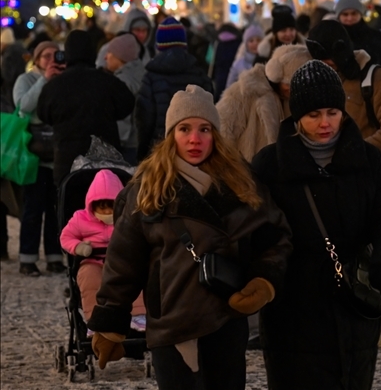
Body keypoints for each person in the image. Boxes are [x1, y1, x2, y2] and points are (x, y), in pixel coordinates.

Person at [88, 85, 292, 389]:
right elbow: (123, 262)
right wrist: (110, 324)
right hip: (172, 323)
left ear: (215, 134)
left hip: (226, 319)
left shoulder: (242, 183)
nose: (194, 139)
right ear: (172, 133)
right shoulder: (145, 189)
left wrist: (263, 281)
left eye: (204, 129)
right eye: (184, 129)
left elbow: (275, 238)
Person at [251, 60, 381, 389]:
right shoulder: (270, 164)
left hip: (352, 302)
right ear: (296, 116)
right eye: (314, 115)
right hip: (292, 306)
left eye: (332, 112)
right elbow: (255, 229)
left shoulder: (367, 158)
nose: (325, 123)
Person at [37, 30, 135, 184]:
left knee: (70, 205)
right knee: (105, 205)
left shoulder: (54, 87)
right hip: (106, 161)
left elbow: (43, 113)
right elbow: (127, 104)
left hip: (67, 164)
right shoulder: (107, 82)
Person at [306, 20, 381, 157]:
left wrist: (356, 153)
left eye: (329, 58)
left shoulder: (377, 79)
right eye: (319, 59)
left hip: (367, 171)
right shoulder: (314, 80)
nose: (325, 63)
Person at [59, 170, 145, 326]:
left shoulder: (128, 218)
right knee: (89, 278)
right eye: (102, 208)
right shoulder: (81, 218)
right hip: (92, 260)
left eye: (111, 208)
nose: (106, 212)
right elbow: (66, 237)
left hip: (121, 260)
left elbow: (140, 235)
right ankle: (95, 319)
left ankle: (138, 315)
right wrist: (78, 247)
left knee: (136, 277)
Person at [13, 41, 64, 275]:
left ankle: (54, 257)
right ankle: (28, 258)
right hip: (33, 155)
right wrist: (45, 79)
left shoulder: (64, 78)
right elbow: (23, 107)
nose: (50, 60)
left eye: (56, 55)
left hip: (57, 155)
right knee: (32, 210)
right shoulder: (27, 80)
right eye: (45, 56)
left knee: (55, 210)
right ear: (36, 59)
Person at [135, 17, 215, 160]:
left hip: (160, 152)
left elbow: (144, 119)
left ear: (158, 45)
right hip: (196, 149)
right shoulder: (199, 74)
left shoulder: (151, 76)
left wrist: (143, 153)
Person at [216, 44, 311, 162]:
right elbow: (221, 128)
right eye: (290, 84)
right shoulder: (245, 91)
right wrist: (233, 168)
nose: (295, 89)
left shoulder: (299, 100)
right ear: (276, 74)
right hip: (248, 172)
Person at [104, 33, 146, 165]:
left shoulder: (123, 81)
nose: (106, 57)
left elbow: (123, 120)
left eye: (110, 53)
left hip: (127, 144)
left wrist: (116, 143)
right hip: (140, 141)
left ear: (120, 57)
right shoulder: (141, 74)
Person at [335, 0, 381, 75]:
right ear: (339, 16)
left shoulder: (379, 38)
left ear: (360, 14)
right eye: (345, 14)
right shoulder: (333, 39)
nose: (350, 18)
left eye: (354, 13)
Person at [208, 23, 242, 98]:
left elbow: (209, 59)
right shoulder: (239, 43)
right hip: (235, 75)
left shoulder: (216, 42)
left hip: (220, 75)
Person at [226, 24, 265, 89]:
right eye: (251, 41)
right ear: (246, 44)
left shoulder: (267, 60)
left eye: (258, 40)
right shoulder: (238, 63)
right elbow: (229, 85)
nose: (255, 43)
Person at [1, 25, 29, 112]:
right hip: (23, 86)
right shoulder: (21, 49)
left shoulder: (8, 55)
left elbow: (7, 76)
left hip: (11, 91)